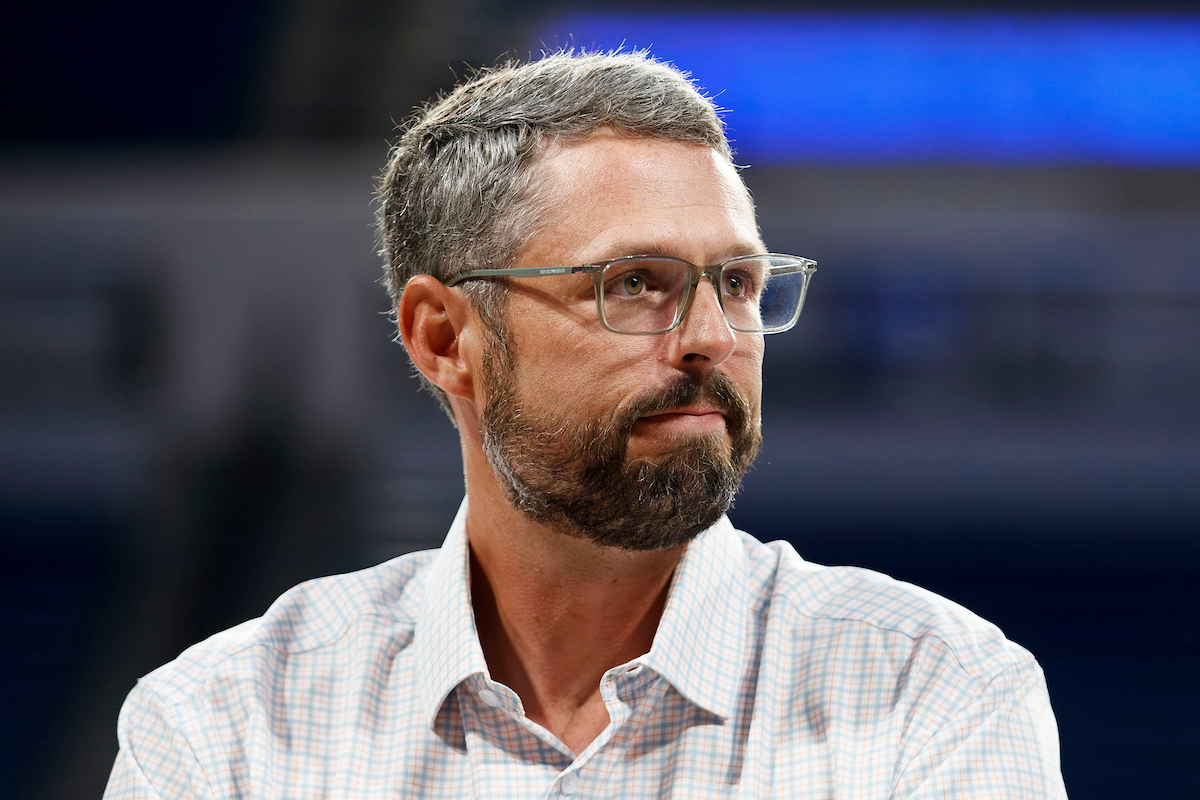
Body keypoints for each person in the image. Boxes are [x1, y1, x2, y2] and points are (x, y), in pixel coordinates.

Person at [104, 51, 1067, 798]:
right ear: (445, 338)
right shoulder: (228, 723)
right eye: (636, 283)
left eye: (737, 282)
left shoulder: (933, 690)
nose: (711, 337)